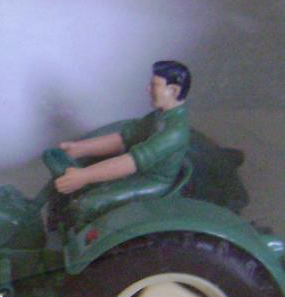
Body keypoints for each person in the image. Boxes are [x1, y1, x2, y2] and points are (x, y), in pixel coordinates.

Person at [55, 59, 192, 220]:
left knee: (88, 204)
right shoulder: (159, 117)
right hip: (140, 172)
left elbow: (132, 162)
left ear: (173, 90)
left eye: (154, 85)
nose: (148, 89)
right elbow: (125, 138)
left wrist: (84, 176)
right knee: (84, 182)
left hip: (152, 181)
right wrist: (80, 148)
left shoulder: (175, 131)